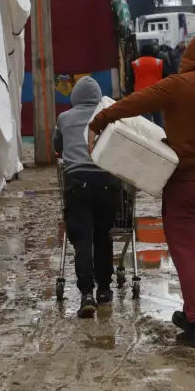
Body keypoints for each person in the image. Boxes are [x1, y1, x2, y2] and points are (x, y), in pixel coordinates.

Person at [89, 35, 195, 349]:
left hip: (184, 184)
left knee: (185, 254)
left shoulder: (178, 84)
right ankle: (191, 312)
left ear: (190, 58)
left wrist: (101, 119)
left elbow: (136, 102)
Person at [54, 76, 121, 319]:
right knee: (102, 236)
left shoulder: (64, 118)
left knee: (83, 240)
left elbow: (58, 146)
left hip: (77, 186)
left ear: (75, 97)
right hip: (107, 186)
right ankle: (104, 290)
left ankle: (86, 295)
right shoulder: (109, 115)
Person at [131, 44, 165, 128]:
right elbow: (167, 78)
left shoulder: (135, 63)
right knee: (159, 123)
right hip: (157, 95)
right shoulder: (159, 62)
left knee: (145, 124)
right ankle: (162, 138)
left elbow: (131, 81)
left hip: (141, 97)